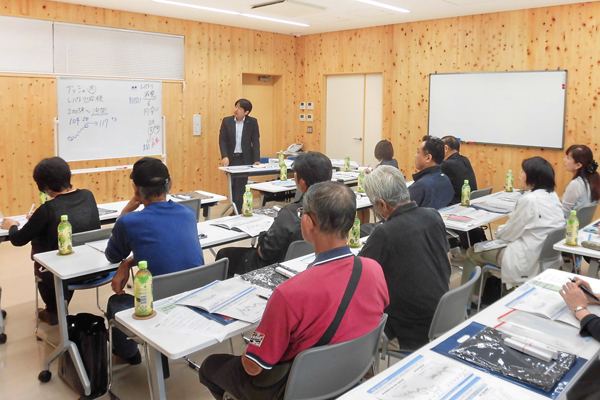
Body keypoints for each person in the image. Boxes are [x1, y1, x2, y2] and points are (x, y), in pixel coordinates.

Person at [199, 181, 389, 400]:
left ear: (308, 222)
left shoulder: (289, 293)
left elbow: (253, 367)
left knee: (211, 365)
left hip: (295, 389)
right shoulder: (374, 269)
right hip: (348, 378)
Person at [105, 157, 204, 364]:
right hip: (197, 299)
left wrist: (125, 213)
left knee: (116, 302)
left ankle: (129, 355)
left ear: (135, 188)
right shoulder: (187, 213)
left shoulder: (130, 221)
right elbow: (162, 248)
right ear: (170, 183)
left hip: (158, 305)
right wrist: (129, 263)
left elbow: (112, 255)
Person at [359, 166, 451, 350]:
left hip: (411, 328)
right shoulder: (433, 215)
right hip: (443, 312)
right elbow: (447, 261)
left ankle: (365, 373)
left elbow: (357, 274)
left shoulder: (384, 233)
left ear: (383, 205)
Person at [1, 157, 100, 326]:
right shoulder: (88, 196)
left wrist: (12, 226)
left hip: (62, 273)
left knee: (43, 252)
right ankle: (58, 306)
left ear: (44, 187)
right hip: (93, 268)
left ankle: (53, 309)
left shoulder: (47, 210)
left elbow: (18, 240)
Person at [215, 152, 332, 278]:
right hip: (309, 261)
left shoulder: (290, 214)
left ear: (302, 182)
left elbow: (265, 252)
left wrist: (262, 237)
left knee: (225, 254)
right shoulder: (336, 207)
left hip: (276, 267)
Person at [461, 157, 565, 293]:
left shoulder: (530, 200)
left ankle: (466, 305)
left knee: (472, 253)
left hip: (528, 256)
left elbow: (508, 234)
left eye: (523, 172)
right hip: (547, 256)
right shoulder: (553, 196)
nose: (519, 175)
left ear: (532, 178)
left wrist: (499, 231)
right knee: (487, 246)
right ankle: (479, 296)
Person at [219, 99, 261, 214]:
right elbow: (222, 140)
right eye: (236, 106)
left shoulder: (252, 122)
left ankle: (237, 209)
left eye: (239, 108)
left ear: (246, 112)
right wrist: (224, 156)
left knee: (241, 184)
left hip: (245, 158)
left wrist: (257, 159)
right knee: (233, 184)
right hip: (232, 158)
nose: (236, 110)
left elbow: (255, 141)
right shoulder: (227, 121)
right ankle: (236, 208)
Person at [408, 135, 454, 209]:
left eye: (418, 152)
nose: (415, 155)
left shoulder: (420, 187)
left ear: (428, 158)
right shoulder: (446, 180)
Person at [562, 144, 599, 218]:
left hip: (569, 226)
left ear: (578, 165)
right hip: (582, 225)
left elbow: (564, 213)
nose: (564, 160)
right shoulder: (593, 180)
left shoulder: (576, 184)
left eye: (568, 158)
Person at [441, 136, 478, 205]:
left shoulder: (446, 164)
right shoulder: (465, 160)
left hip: (456, 205)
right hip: (471, 202)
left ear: (446, 148)